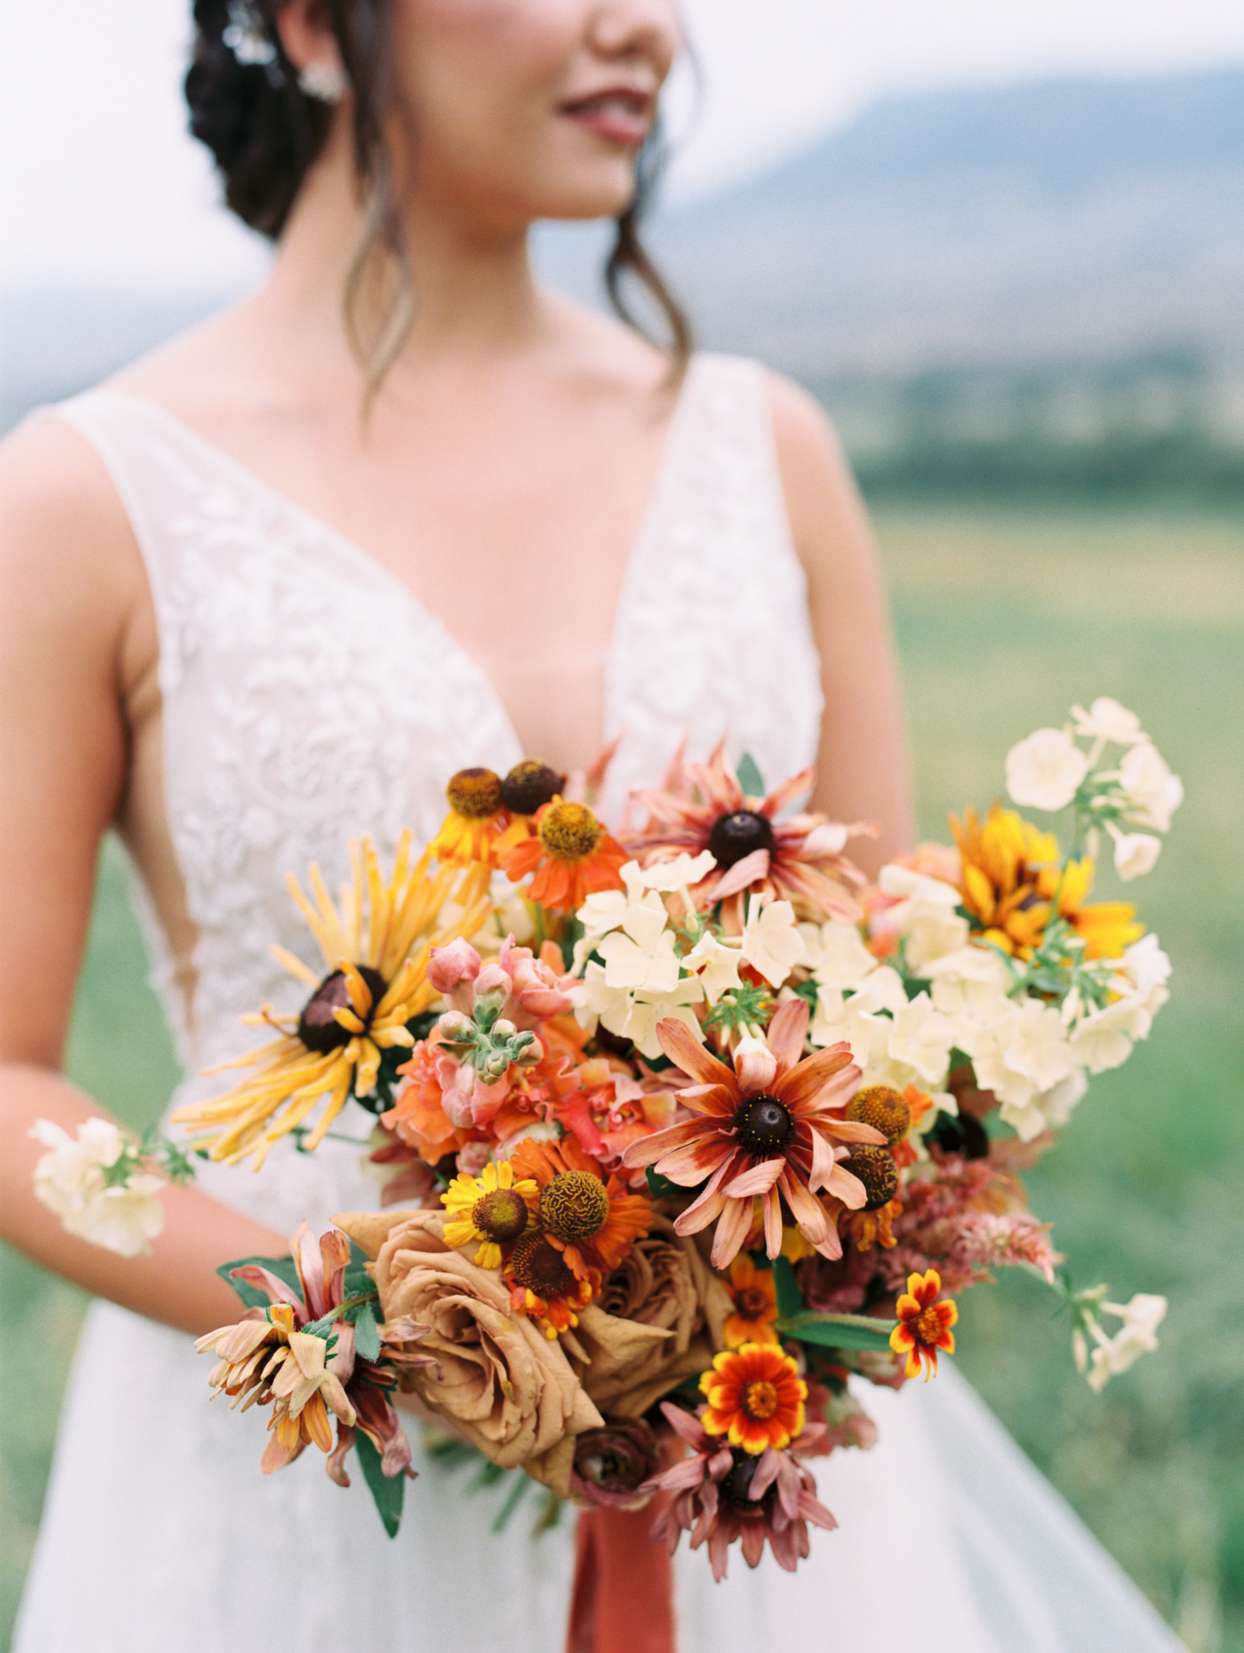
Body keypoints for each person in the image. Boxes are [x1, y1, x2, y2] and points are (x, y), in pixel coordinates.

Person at [0, 3, 1184, 1649]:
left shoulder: (768, 452)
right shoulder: (84, 499)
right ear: (306, 24)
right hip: (303, 1486)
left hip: (738, 1473)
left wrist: (874, 1188)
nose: (644, 26)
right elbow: (6, 1079)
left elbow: (892, 996)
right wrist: (372, 1317)